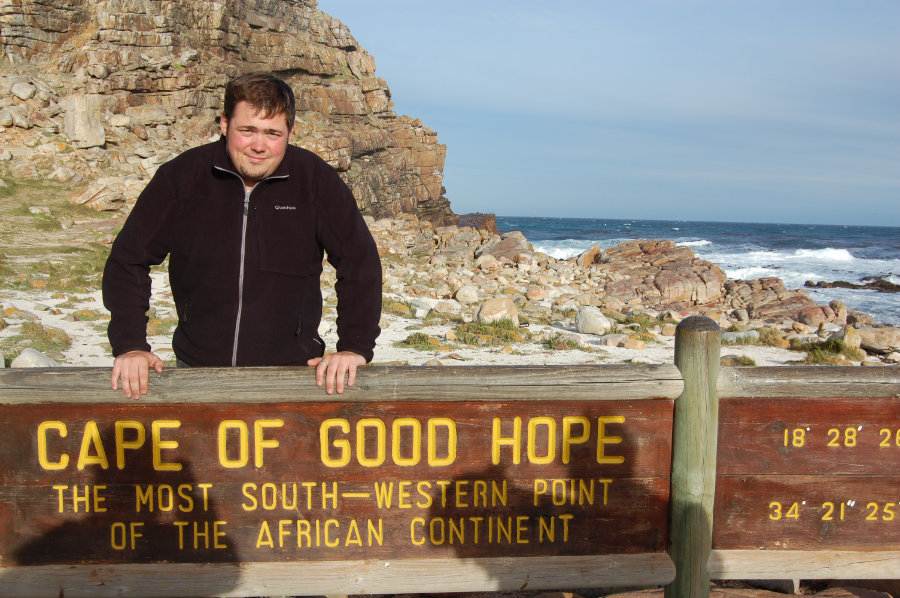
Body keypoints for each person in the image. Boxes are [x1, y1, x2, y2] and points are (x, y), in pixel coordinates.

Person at [103, 72, 382, 399]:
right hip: (197, 373)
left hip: (292, 377)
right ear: (224, 124)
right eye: (247, 130)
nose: (259, 145)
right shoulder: (183, 177)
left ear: (291, 132)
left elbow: (360, 264)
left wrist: (354, 347)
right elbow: (128, 260)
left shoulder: (315, 182)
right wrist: (131, 345)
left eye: (272, 133)